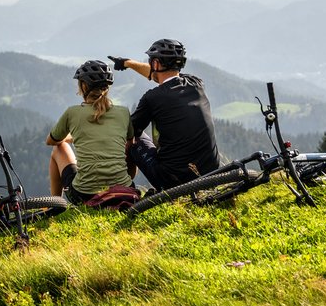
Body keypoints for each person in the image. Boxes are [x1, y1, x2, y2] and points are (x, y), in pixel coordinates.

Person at [108, 38, 220, 191]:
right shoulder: (196, 84)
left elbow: (128, 133)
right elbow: (165, 77)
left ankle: (125, 188)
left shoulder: (152, 98)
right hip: (212, 175)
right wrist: (127, 63)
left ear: (155, 64)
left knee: (133, 136)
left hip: (173, 183)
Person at [46, 59, 136, 205]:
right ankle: (120, 182)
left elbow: (51, 141)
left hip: (84, 195)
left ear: (83, 86)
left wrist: (72, 138)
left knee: (59, 148)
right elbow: (130, 147)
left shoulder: (72, 113)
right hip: (124, 189)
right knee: (130, 146)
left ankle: (53, 205)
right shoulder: (123, 113)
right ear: (106, 88)